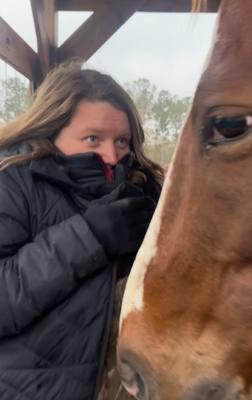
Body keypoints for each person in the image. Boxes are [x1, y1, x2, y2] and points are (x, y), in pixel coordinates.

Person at [0, 61, 163, 400]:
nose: (111, 155)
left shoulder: (146, 190)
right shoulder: (12, 181)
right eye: (93, 138)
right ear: (50, 131)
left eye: (122, 141)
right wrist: (89, 237)